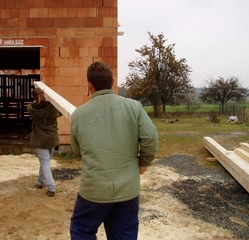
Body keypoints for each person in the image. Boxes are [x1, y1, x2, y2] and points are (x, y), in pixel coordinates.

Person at [70, 61, 158, 239]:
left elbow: (77, 149)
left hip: (93, 190)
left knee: (82, 231)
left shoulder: (78, 114)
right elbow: (151, 137)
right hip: (127, 189)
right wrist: (143, 163)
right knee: (123, 235)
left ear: (89, 85)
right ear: (112, 82)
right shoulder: (134, 107)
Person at [27, 88, 62, 197]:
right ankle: (40, 182)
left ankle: (51, 188)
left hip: (40, 140)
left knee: (44, 163)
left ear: (33, 97)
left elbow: (34, 105)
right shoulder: (52, 107)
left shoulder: (31, 108)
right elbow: (61, 112)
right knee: (45, 163)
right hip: (52, 139)